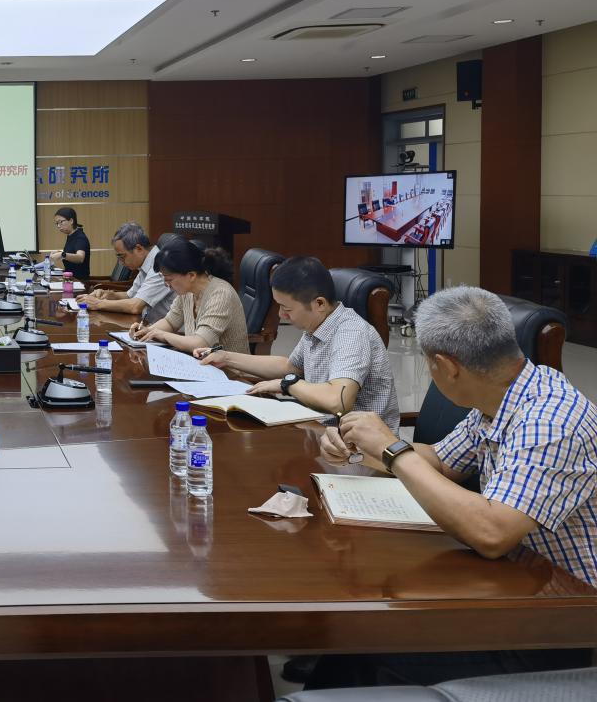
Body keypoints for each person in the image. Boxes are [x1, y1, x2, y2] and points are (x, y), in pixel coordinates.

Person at [305, 286, 595, 688]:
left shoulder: (550, 422)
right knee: (361, 624)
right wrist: (362, 447)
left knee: (370, 638)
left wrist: (392, 450)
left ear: (445, 365)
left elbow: (492, 534)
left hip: (559, 618)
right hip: (513, 580)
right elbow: (442, 462)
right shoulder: (504, 395)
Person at [198, 255, 399, 430]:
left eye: (287, 309)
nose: (280, 314)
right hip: (320, 430)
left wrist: (288, 385)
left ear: (319, 303)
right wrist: (226, 357)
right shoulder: (319, 323)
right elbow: (290, 367)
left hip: (359, 448)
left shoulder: (351, 333)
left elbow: (338, 400)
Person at [131, 239, 248, 354]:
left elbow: (200, 343)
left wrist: (161, 334)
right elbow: (170, 322)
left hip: (226, 366)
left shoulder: (221, 294)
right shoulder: (187, 292)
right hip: (199, 362)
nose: (167, 285)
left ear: (191, 275)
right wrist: (147, 331)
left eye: (169, 279)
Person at [78, 222, 173, 323]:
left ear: (139, 249)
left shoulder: (160, 266)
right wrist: (108, 295)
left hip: (166, 329)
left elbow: (135, 306)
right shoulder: (146, 263)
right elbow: (130, 295)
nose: (120, 263)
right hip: (148, 324)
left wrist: (97, 304)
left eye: (122, 257)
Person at [46, 207, 90, 281]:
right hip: (70, 279)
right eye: (57, 223)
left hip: (78, 282)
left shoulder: (80, 237)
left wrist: (62, 255)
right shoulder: (71, 236)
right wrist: (60, 253)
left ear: (71, 221)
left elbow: (80, 258)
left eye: (61, 222)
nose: (58, 226)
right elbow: (71, 253)